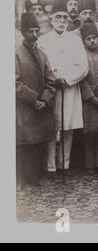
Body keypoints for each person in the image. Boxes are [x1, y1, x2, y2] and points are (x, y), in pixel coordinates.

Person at [38, 0, 89, 177]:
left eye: (64, 18)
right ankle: (50, 166)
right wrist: (54, 78)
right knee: (52, 128)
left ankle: (64, 165)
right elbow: (41, 66)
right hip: (51, 90)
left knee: (68, 128)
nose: (61, 21)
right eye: (58, 17)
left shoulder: (75, 41)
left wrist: (66, 79)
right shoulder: (42, 41)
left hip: (68, 88)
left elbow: (83, 66)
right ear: (51, 19)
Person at [16, 13, 56, 190]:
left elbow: (51, 81)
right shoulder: (16, 54)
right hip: (24, 109)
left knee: (39, 144)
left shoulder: (42, 54)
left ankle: (35, 179)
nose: (34, 34)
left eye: (36, 30)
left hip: (41, 108)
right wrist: (34, 99)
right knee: (24, 144)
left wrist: (45, 100)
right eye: (29, 31)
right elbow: (13, 83)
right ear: (23, 33)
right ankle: (22, 181)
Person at [79, 23, 98, 176]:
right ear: (84, 41)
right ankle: (90, 164)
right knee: (89, 134)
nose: (92, 41)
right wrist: (91, 97)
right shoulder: (81, 56)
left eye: (94, 38)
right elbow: (81, 79)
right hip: (88, 101)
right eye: (88, 39)